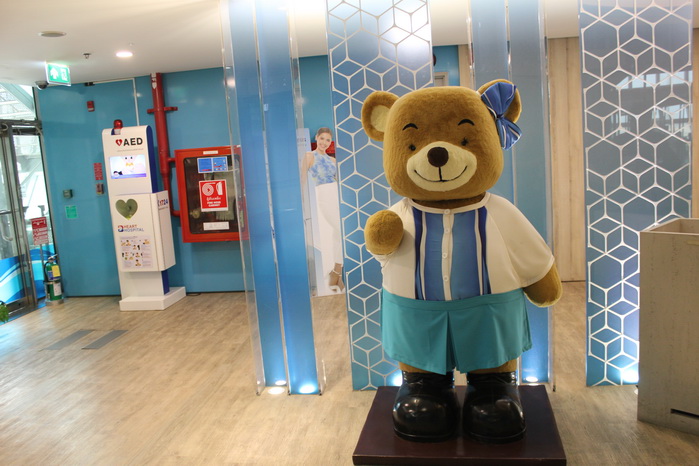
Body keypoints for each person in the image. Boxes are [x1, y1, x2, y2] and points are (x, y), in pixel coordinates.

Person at [301, 127, 344, 292]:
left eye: (328, 140)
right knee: (339, 230)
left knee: (338, 234)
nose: (324, 142)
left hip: (336, 193)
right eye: (322, 138)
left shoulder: (333, 160)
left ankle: (336, 275)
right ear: (316, 138)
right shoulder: (309, 156)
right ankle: (336, 273)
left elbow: (339, 180)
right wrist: (302, 203)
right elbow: (302, 181)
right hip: (323, 194)